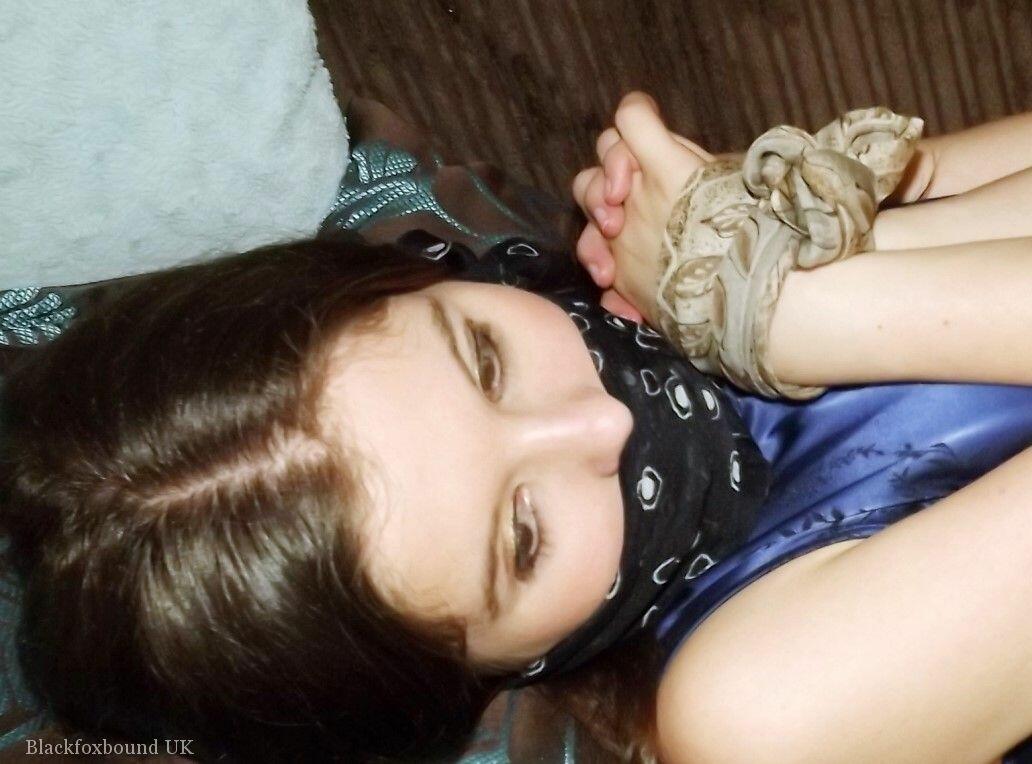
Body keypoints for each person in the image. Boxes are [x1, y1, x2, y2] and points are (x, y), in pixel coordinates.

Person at [0, 94, 1030, 764]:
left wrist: (775, 230)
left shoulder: (671, 282)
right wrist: (792, 313)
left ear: (418, 276)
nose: (599, 421)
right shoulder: (758, 714)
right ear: (474, 677)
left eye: (488, 360)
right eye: (522, 535)